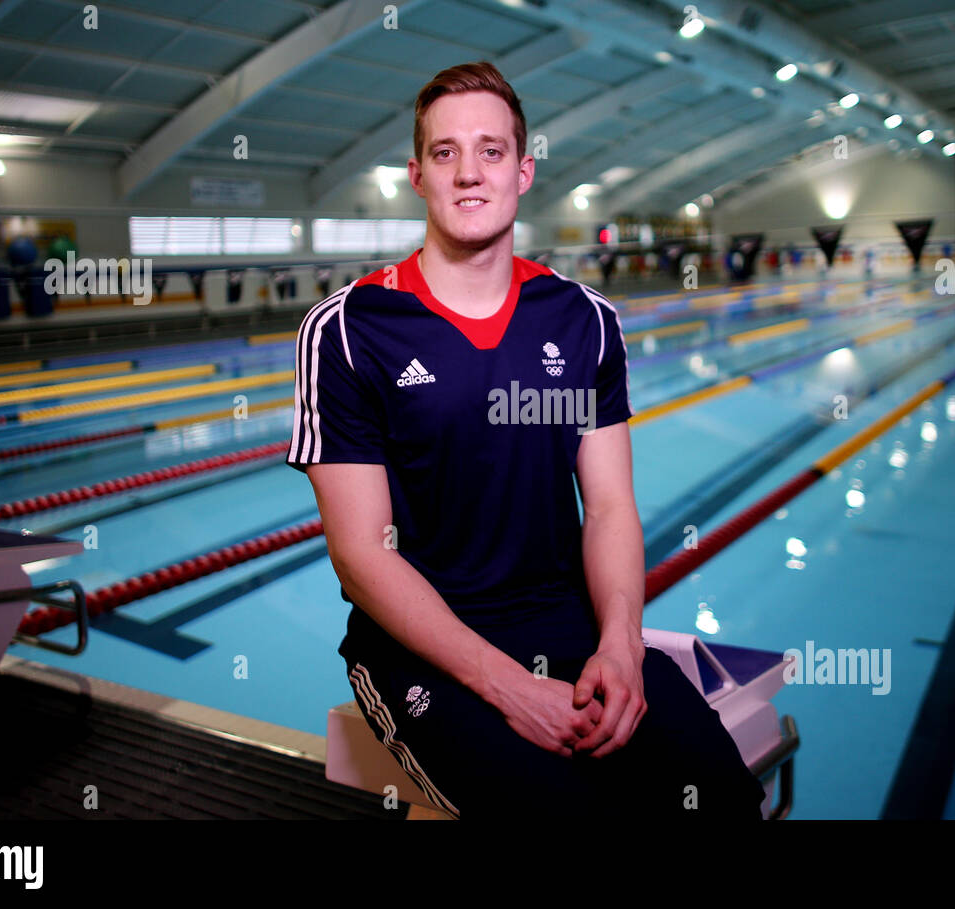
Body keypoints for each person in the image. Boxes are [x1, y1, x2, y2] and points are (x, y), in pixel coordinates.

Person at [287, 61, 767, 819]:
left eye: (491, 150)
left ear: (524, 169)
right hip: (419, 650)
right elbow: (360, 555)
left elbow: (609, 508)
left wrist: (621, 643)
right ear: (417, 175)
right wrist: (511, 687)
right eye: (445, 153)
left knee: (724, 802)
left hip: (570, 622)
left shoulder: (584, 320)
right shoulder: (348, 330)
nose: (469, 173)